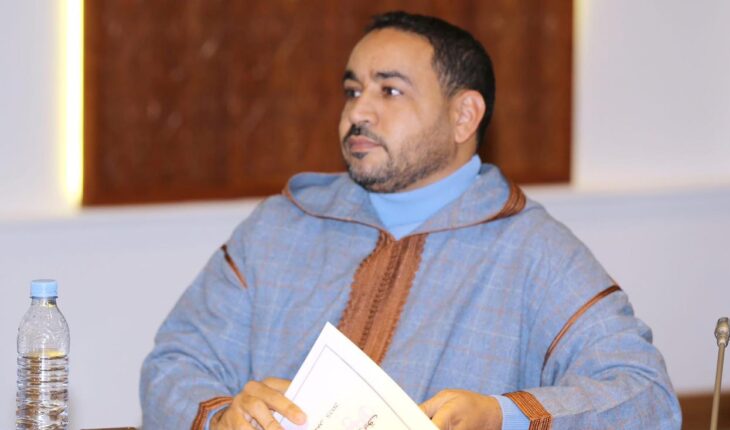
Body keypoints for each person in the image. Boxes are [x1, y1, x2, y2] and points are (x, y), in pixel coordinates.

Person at [140, 11, 681, 430]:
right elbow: (174, 364)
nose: (358, 112)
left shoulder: (533, 250)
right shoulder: (281, 227)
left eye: (390, 90)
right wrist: (223, 417)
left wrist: (501, 415)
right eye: (353, 90)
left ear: (464, 116)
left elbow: (646, 397)